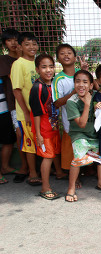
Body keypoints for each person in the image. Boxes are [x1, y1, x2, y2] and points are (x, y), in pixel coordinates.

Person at [30, 53, 64, 200]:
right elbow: (36, 113)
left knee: (54, 153)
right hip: (43, 130)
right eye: (44, 67)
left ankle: (59, 173)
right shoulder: (37, 87)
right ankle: (45, 188)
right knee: (47, 157)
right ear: (37, 69)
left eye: (51, 66)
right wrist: (38, 134)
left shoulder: (52, 84)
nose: (48, 70)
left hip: (53, 127)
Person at [52, 43, 88, 182]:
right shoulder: (59, 79)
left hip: (85, 119)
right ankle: (74, 177)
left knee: (86, 144)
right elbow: (57, 103)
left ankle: (87, 169)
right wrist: (73, 93)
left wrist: (85, 71)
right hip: (70, 122)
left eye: (69, 52)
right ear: (58, 59)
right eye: (62, 53)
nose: (66, 55)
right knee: (72, 149)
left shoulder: (81, 74)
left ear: (75, 56)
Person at [64, 70, 100, 202]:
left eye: (85, 82)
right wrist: (87, 104)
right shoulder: (71, 102)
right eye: (77, 81)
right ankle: (71, 188)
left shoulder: (96, 95)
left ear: (91, 85)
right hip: (79, 134)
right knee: (78, 157)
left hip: (94, 134)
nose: (81, 85)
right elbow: (82, 124)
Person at [11, 32, 41, 186]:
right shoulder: (18, 64)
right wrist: (27, 113)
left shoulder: (36, 63)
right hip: (26, 114)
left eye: (34, 44)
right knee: (29, 143)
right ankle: (32, 173)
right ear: (20, 46)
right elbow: (17, 90)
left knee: (38, 141)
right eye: (27, 44)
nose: (31, 47)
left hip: (38, 112)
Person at [0, 28, 24, 184]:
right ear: (5, 44)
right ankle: (22, 167)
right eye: (9, 40)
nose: (13, 43)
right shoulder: (4, 60)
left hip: (28, 103)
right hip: (12, 104)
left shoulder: (28, 58)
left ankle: (7, 167)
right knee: (18, 135)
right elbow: (12, 77)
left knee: (14, 137)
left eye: (16, 39)